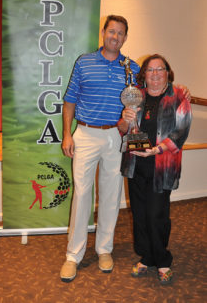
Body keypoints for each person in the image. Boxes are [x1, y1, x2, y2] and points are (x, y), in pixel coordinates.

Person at [60, 15, 140, 282]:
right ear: (103, 33)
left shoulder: (131, 68)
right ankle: (73, 255)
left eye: (120, 33)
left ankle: (105, 249)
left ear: (125, 38)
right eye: (111, 31)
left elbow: (148, 94)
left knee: (111, 195)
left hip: (115, 137)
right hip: (84, 134)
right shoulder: (84, 62)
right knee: (82, 195)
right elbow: (70, 101)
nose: (115, 36)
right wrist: (66, 136)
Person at [117, 54, 192, 285]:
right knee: (139, 215)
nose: (156, 74)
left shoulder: (178, 95)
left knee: (156, 215)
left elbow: (180, 133)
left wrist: (156, 150)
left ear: (168, 73)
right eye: (150, 70)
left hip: (162, 166)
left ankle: (162, 259)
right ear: (144, 75)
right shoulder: (134, 97)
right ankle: (147, 256)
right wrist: (124, 118)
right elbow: (122, 130)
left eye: (161, 69)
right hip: (135, 164)